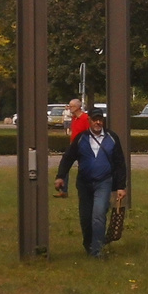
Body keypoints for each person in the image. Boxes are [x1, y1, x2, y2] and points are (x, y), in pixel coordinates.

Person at [54, 108, 127, 258]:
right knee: (86, 218)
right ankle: (89, 244)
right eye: (95, 119)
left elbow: (120, 163)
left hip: (104, 182)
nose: (98, 122)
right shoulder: (81, 138)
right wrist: (61, 176)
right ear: (90, 121)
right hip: (84, 183)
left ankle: (97, 250)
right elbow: (68, 157)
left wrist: (121, 186)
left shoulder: (112, 138)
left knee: (99, 214)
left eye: (100, 119)